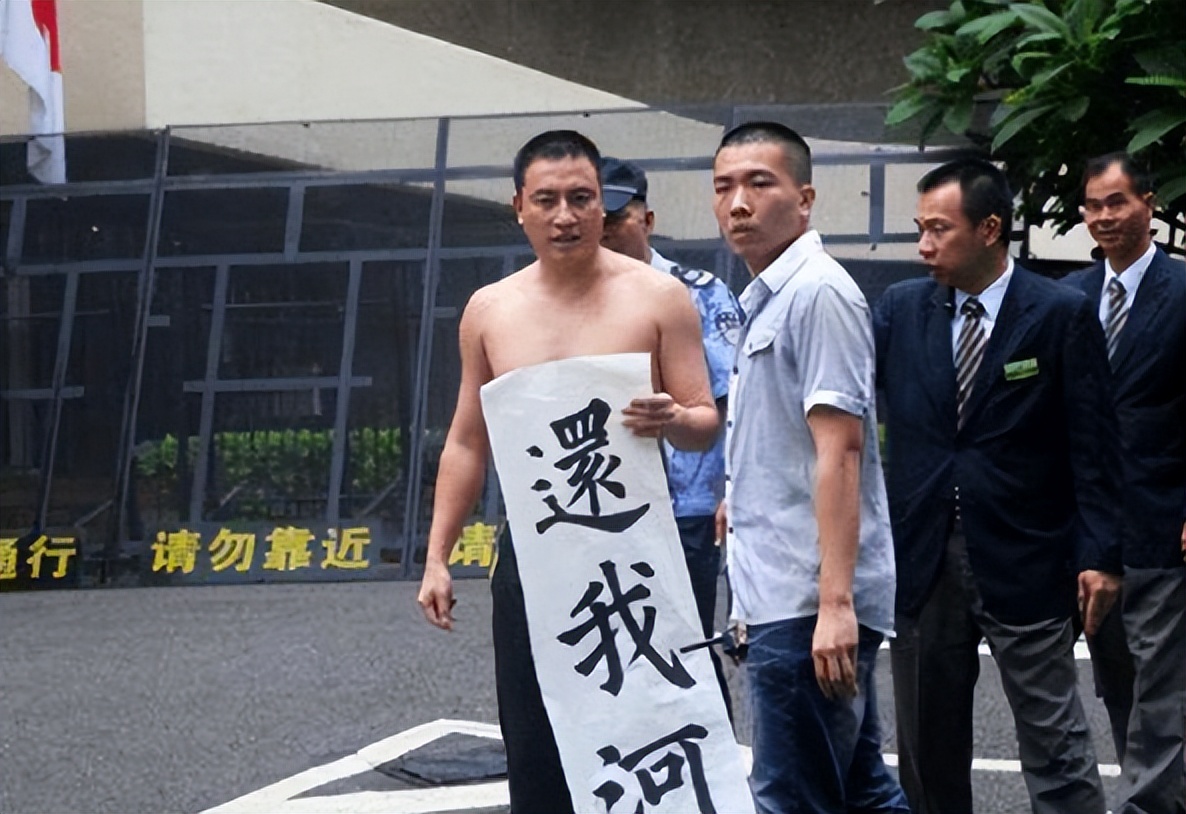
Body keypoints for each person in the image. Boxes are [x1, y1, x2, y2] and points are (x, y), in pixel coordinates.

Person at [415, 130, 719, 814]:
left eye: (581, 199)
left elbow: (705, 423)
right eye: (547, 200)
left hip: (639, 552)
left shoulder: (659, 297)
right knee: (537, 740)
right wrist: (437, 555)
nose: (565, 216)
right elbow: (468, 440)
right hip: (536, 553)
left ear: (602, 208)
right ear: (518, 206)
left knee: (655, 729)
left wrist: (672, 417)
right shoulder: (491, 310)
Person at [874, 157, 1123, 814]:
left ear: (989, 229)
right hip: (923, 557)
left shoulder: (1058, 314)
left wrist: (1100, 555)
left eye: (939, 229)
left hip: (1027, 556)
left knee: (1056, 744)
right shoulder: (900, 311)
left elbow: (1094, 447)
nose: (924, 245)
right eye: (918, 229)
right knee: (927, 748)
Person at [712, 121, 908, 813]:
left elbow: (841, 451)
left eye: (759, 183)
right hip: (782, 592)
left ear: (805, 198)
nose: (739, 202)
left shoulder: (817, 294)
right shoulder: (768, 298)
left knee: (792, 796)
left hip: (804, 602)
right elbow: (788, 443)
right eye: (724, 186)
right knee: (860, 789)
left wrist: (834, 605)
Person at [598, 155, 743, 720]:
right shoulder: (570, 301)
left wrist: (733, 488)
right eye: (599, 217)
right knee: (613, 653)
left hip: (686, 505)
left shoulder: (698, 294)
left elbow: (734, 407)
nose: (607, 229)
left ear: (648, 219)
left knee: (686, 652)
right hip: (603, 508)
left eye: (619, 216)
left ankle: (713, 788)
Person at [1063, 152, 1186, 814]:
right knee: (1120, 682)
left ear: (1150, 203)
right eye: (1093, 206)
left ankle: (1145, 806)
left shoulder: (1183, 292)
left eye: (1117, 202)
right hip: (1089, 531)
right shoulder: (1071, 299)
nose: (1104, 217)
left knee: (1161, 685)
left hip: (1163, 522)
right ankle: (1164, 796)